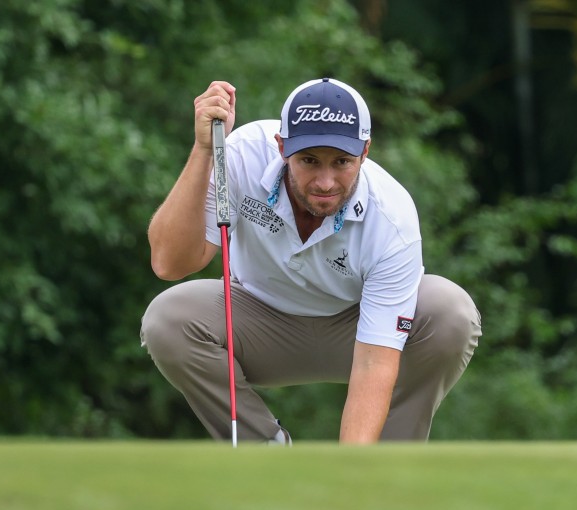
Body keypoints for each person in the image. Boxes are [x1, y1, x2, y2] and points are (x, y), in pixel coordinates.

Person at [141, 78, 481, 443]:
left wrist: (350, 466)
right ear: (282, 147)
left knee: (450, 312)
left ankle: (382, 466)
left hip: (355, 327)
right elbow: (169, 263)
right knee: (168, 319)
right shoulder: (240, 154)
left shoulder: (392, 217)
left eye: (342, 162)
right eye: (309, 161)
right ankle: (266, 452)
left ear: (365, 152)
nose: (325, 182)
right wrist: (204, 151)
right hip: (258, 322)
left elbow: (374, 361)